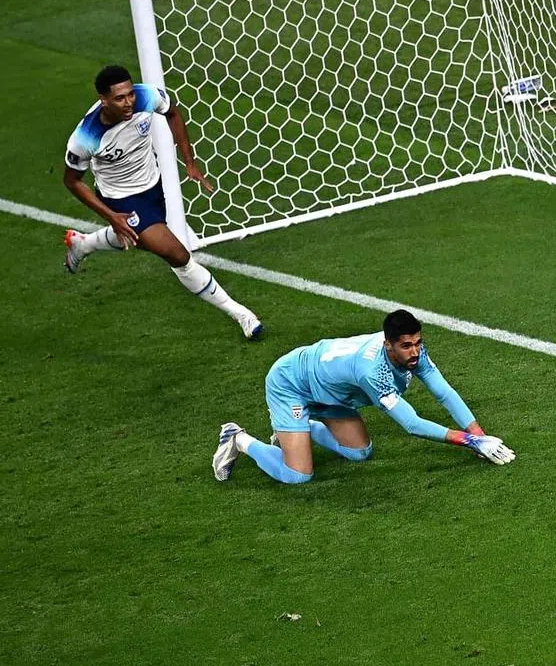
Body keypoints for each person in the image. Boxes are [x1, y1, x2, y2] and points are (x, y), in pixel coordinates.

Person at [62, 65, 262, 339]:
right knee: (177, 255)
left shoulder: (146, 96)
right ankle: (242, 315)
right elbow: (72, 181)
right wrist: (112, 216)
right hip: (120, 198)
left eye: (130, 94)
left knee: (138, 238)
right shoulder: (85, 136)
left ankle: (83, 244)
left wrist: (190, 162)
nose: (128, 102)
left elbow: (173, 113)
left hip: (152, 186)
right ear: (103, 100)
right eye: (119, 98)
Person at [212, 309, 515, 484]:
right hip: (291, 382)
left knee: (360, 453)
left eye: (418, 343)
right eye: (407, 346)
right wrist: (469, 441)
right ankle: (237, 439)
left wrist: (480, 436)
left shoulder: (413, 354)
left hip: (331, 395)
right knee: (299, 475)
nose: (415, 352)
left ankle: (295, 430)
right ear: (388, 345)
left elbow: (444, 393)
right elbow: (411, 424)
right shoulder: (372, 372)